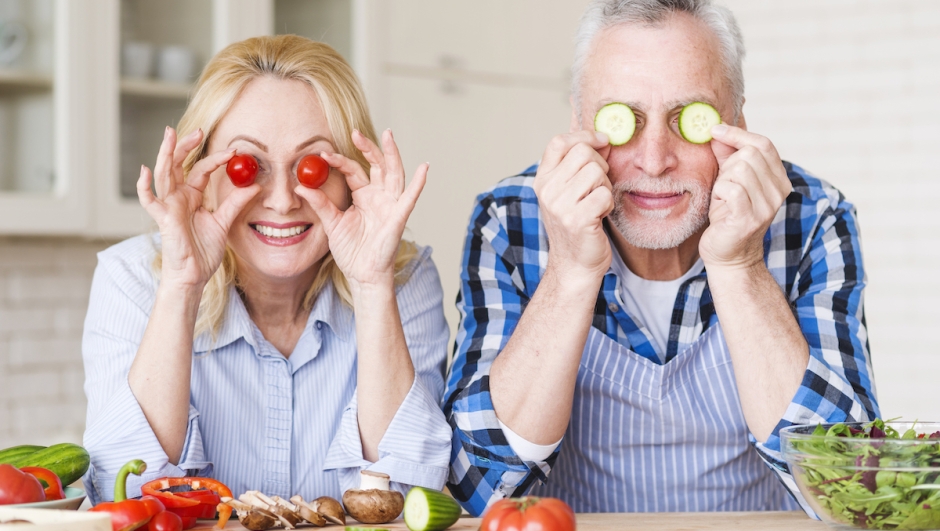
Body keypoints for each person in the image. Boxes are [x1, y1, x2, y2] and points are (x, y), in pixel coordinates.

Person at [444, 0, 878, 516]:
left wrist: (740, 266)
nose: (654, 160)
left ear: (739, 119)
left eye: (688, 119)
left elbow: (852, 485)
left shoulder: (811, 217)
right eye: (622, 121)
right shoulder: (510, 220)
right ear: (579, 120)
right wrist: (569, 274)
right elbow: (475, 487)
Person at [82, 35, 452, 503]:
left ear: (349, 178)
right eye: (245, 165)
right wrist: (182, 284)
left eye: (312, 165)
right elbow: (126, 498)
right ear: (202, 174)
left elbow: (410, 498)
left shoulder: (402, 279)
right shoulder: (133, 278)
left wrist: (373, 283)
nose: (282, 200)